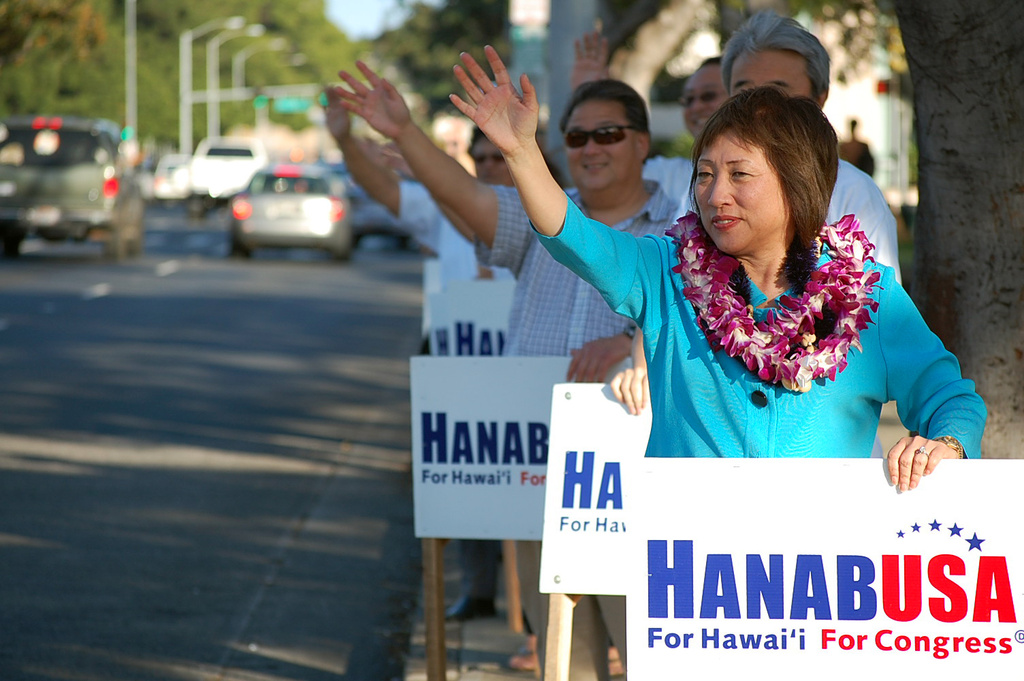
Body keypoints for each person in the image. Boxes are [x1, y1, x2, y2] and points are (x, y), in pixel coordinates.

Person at [448, 47, 985, 483]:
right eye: (704, 174)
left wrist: (945, 446)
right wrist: (521, 153)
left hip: (824, 584)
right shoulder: (667, 275)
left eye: (739, 175)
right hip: (689, 592)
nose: (715, 194)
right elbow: (577, 239)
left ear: (797, 185)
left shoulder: (871, 299)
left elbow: (950, 397)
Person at [333, 60, 679, 679]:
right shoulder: (543, 218)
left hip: (642, 489)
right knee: (562, 664)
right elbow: (463, 195)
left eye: (608, 134)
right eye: (576, 137)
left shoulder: (684, 233)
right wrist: (403, 132)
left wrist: (632, 340)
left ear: (642, 143)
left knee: (651, 660)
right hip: (543, 485)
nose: (591, 149)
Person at [325, 100, 512, 623]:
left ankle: (529, 618)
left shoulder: (560, 214)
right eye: (482, 159)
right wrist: (344, 143)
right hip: (462, 373)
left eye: (500, 156)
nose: (492, 166)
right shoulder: (449, 216)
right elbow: (385, 192)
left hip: (529, 379)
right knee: (469, 483)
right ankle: (479, 592)